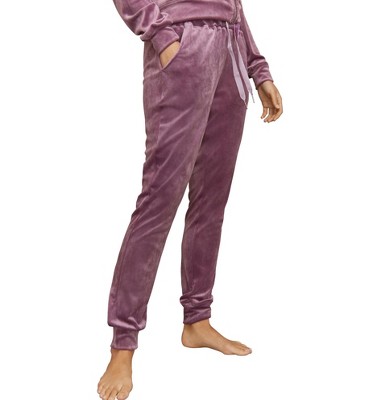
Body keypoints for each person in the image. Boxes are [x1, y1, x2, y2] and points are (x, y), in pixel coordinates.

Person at [97, 0, 283, 398]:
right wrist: (163, 36)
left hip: (230, 51)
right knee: (158, 202)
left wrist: (257, 66)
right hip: (184, 47)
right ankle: (123, 345)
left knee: (211, 201)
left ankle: (197, 320)